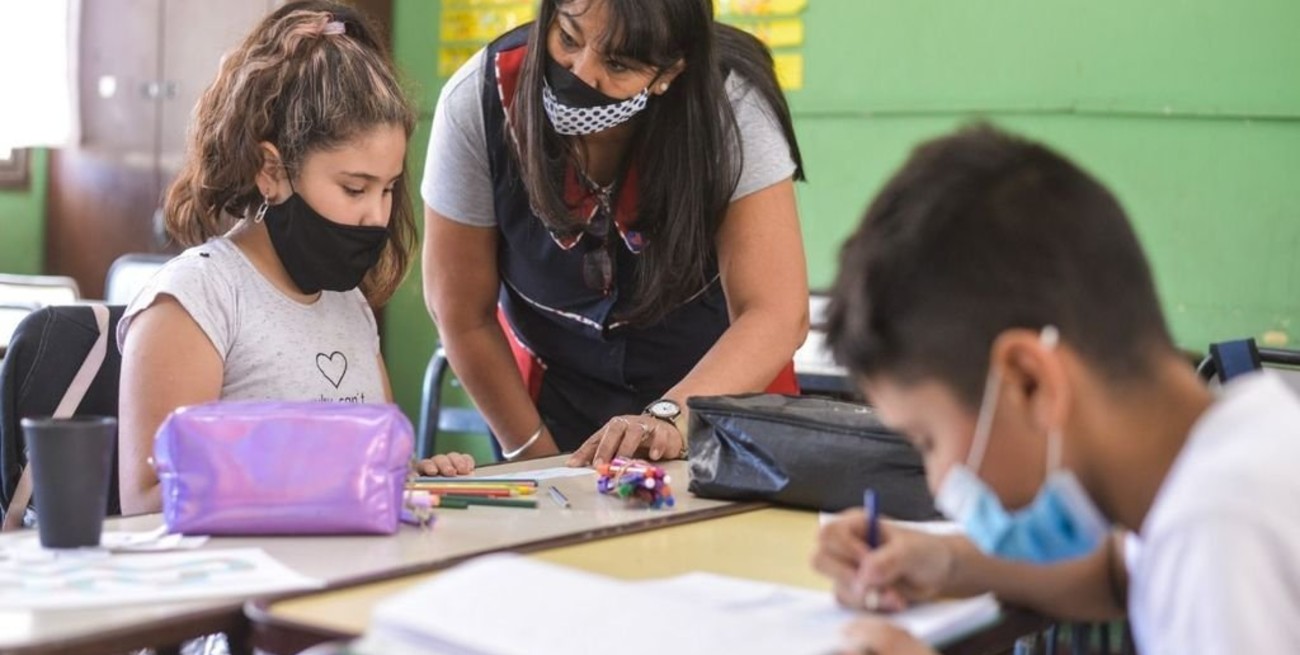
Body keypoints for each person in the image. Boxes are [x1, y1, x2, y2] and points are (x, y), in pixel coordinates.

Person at [813, 125, 1300, 654]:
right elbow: (1119, 573)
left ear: (1029, 382)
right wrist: (948, 562)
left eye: (927, 439)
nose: (937, 484)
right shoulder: (1231, 448)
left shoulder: (1221, 529)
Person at [118, 1, 474, 516]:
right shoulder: (195, 301)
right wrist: (323, 479)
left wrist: (409, 474)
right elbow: (149, 501)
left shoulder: (348, 306)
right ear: (271, 170)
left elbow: (373, 464)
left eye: (389, 189)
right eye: (354, 188)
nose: (377, 216)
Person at [421, 0, 810, 466]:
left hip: (720, 395)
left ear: (669, 72)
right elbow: (460, 313)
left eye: (619, 63)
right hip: (554, 403)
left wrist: (669, 418)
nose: (581, 73)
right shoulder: (479, 100)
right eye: (567, 38)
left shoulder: (732, 106)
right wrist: (539, 462)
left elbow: (775, 312)